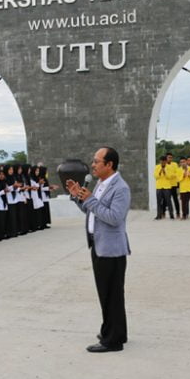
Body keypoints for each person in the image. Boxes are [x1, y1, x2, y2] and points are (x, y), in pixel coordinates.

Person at [67, 147, 130, 353]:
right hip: (98, 245)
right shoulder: (101, 183)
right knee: (107, 294)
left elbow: (114, 218)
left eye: (97, 161)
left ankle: (112, 341)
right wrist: (79, 197)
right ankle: (115, 331)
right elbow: (91, 211)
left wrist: (91, 200)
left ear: (109, 164)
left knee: (111, 295)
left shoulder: (120, 188)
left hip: (111, 250)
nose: (93, 165)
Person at [154, 155, 174, 220]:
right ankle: (158, 215)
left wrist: (165, 172)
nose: (162, 163)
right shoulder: (157, 167)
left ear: (166, 161)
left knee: (168, 201)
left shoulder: (169, 167)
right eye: (161, 162)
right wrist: (160, 171)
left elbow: (170, 177)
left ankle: (171, 214)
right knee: (158, 201)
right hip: (159, 186)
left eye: (164, 162)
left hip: (167, 186)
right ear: (160, 161)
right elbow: (155, 176)